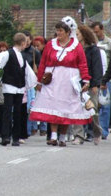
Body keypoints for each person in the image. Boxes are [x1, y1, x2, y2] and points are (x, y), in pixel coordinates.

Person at [30, 17, 92, 147]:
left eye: (61, 31)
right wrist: (39, 81)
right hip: (53, 80)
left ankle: (62, 137)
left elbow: (83, 64)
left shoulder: (76, 46)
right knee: (53, 106)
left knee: (66, 108)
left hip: (68, 81)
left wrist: (86, 80)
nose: (58, 33)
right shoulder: (50, 44)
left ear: (68, 32)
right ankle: (53, 136)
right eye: (57, 31)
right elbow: (43, 63)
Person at [0, 32, 37, 146]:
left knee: (18, 112)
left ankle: (16, 137)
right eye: (25, 42)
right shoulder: (7, 54)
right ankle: (6, 137)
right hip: (8, 86)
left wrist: (32, 83)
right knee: (7, 112)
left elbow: (27, 71)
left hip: (20, 88)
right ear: (23, 43)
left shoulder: (23, 56)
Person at [71, 24, 103, 145]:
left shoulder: (93, 50)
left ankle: (97, 132)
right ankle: (78, 135)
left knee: (92, 109)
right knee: (77, 109)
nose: (76, 36)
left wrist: (95, 84)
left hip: (90, 84)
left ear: (83, 35)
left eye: (78, 34)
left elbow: (97, 68)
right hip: (77, 83)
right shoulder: (75, 49)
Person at [91, 21, 111, 137]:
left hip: (107, 78)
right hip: (95, 77)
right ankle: (94, 130)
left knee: (105, 105)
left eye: (97, 31)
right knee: (94, 105)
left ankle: (104, 131)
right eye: (93, 32)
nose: (95, 34)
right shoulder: (93, 44)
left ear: (102, 29)